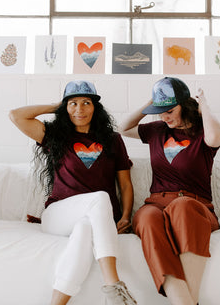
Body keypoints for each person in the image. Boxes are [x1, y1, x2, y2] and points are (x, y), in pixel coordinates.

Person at [9, 80, 137, 305]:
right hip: (58, 215)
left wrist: (126, 216)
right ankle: (113, 284)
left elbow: (125, 184)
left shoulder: (113, 140)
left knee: (85, 232)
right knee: (99, 197)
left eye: (86, 103)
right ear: (65, 108)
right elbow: (16, 115)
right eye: (73, 104)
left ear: (95, 107)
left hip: (96, 218)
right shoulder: (55, 136)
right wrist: (55, 106)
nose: (80, 109)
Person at [119, 77, 220, 305]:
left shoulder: (203, 133)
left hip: (195, 207)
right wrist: (153, 101)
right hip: (156, 204)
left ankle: (189, 300)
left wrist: (203, 104)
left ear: (186, 105)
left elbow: (216, 137)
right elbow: (123, 128)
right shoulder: (157, 130)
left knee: (182, 205)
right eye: (160, 111)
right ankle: (183, 300)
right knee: (145, 217)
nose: (164, 116)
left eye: (170, 110)